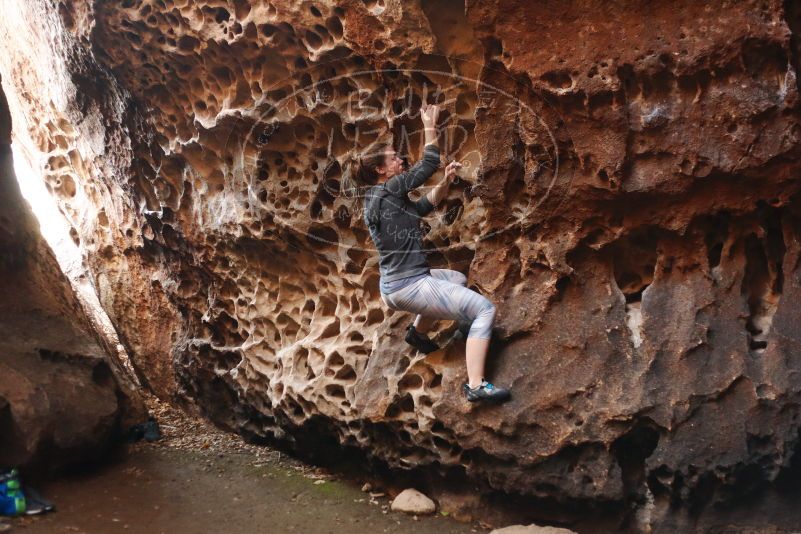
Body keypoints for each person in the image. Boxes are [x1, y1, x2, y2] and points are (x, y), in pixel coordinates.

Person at [342, 103, 511, 403]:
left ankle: (418, 334)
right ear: (381, 170)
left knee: (456, 279)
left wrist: (446, 182)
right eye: (394, 159)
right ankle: (476, 385)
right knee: (484, 310)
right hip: (410, 285)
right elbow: (428, 161)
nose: (400, 159)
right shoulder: (389, 189)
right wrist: (429, 124)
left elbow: (422, 207)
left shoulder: (381, 198)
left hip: (396, 285)